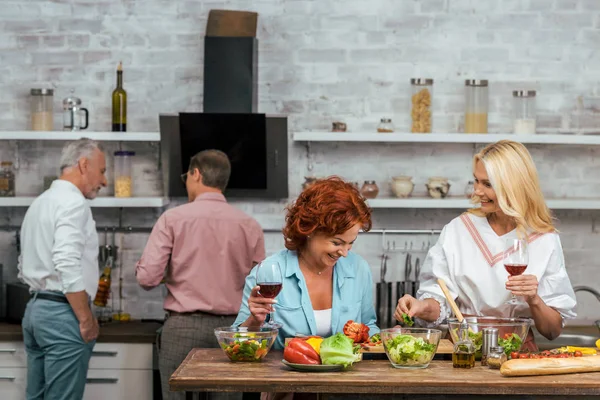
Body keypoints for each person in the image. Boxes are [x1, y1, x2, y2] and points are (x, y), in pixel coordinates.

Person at [394, 140, 576, 349]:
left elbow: (552, 331)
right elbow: (439, 300)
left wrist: (534, 299)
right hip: (463, 350)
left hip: (516, 352)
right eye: (476, 181)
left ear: (514, 187)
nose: (477, 191)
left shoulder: (544, 239)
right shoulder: (458, 229)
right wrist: (420, 306)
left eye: (487, 184)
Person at [136, 149, 265, 400]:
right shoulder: (249, 225)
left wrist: (171, 272)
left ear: (196, 174)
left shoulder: (172, 219)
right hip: (233, 330)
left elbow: (147, 278)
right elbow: (261, 285)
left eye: (187, 175)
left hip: (182, 327)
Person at [234, 176, 379, 350]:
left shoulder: (358, 269)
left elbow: (368, 326)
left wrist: (387, 337)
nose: (345, 253)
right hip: (283, 376)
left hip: (345, 375)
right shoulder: (268, 273)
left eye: (351, 243)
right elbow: (237, 344)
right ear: (310, 230)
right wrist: (254, 321)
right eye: (337, 243)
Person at [19, 138, 107, 400]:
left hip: (35, 311)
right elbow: (67, 262)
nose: (104, 181)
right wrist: (85, 318)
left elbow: (23, 264)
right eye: (101, 171)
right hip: (62, 313)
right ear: (83, 165)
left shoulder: (40, 202)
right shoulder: (73, 203)